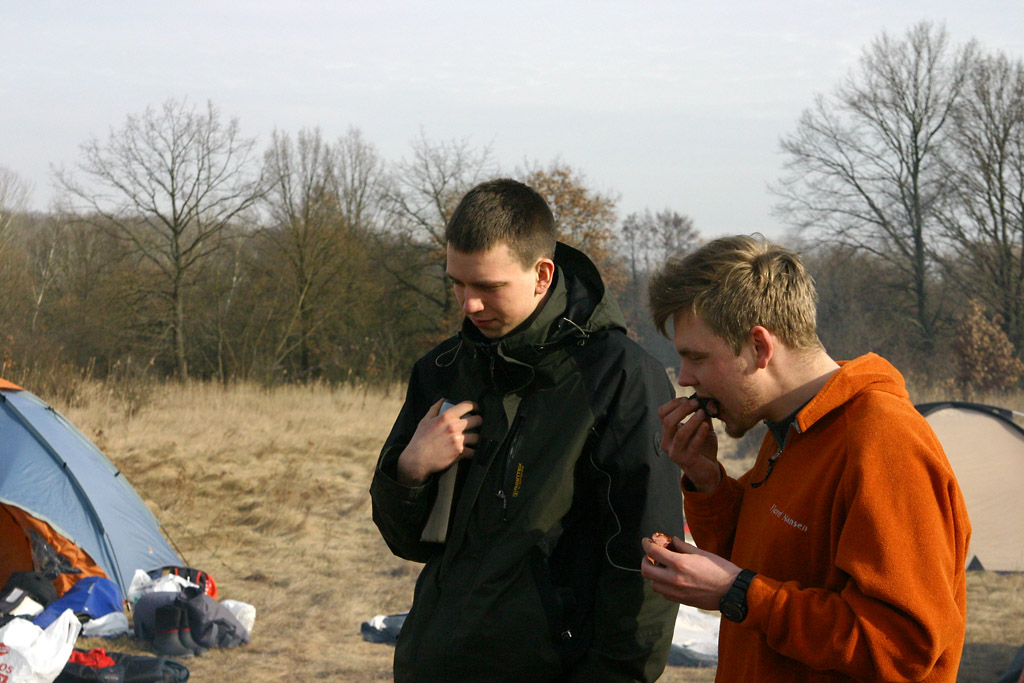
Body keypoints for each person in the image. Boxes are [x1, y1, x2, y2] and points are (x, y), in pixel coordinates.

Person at [370, 178, 685, 682]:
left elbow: (646, 563)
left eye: (488, 287)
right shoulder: (442, 370)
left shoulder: (619, 378)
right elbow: (408, 542)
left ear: (542, 275)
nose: (468, 305)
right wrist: (410, 471)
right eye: (457, 283)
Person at [640, 234, 971, 682]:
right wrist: (707, 480)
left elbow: (902, 647)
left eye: (696, 357)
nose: (684, 378)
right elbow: (759, 564)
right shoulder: (790, 430)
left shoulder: (884, 440)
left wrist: (736, 593)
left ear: (760, 347)